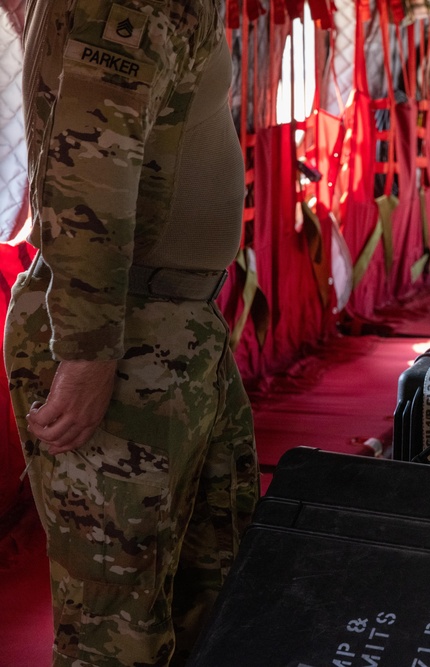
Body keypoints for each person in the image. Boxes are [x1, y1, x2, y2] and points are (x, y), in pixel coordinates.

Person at [5, 0, 259, 664]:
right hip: (126, 334)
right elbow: (87, 167)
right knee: (115, 634)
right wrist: (88, 350)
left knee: (213, 591)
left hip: (172, 323)